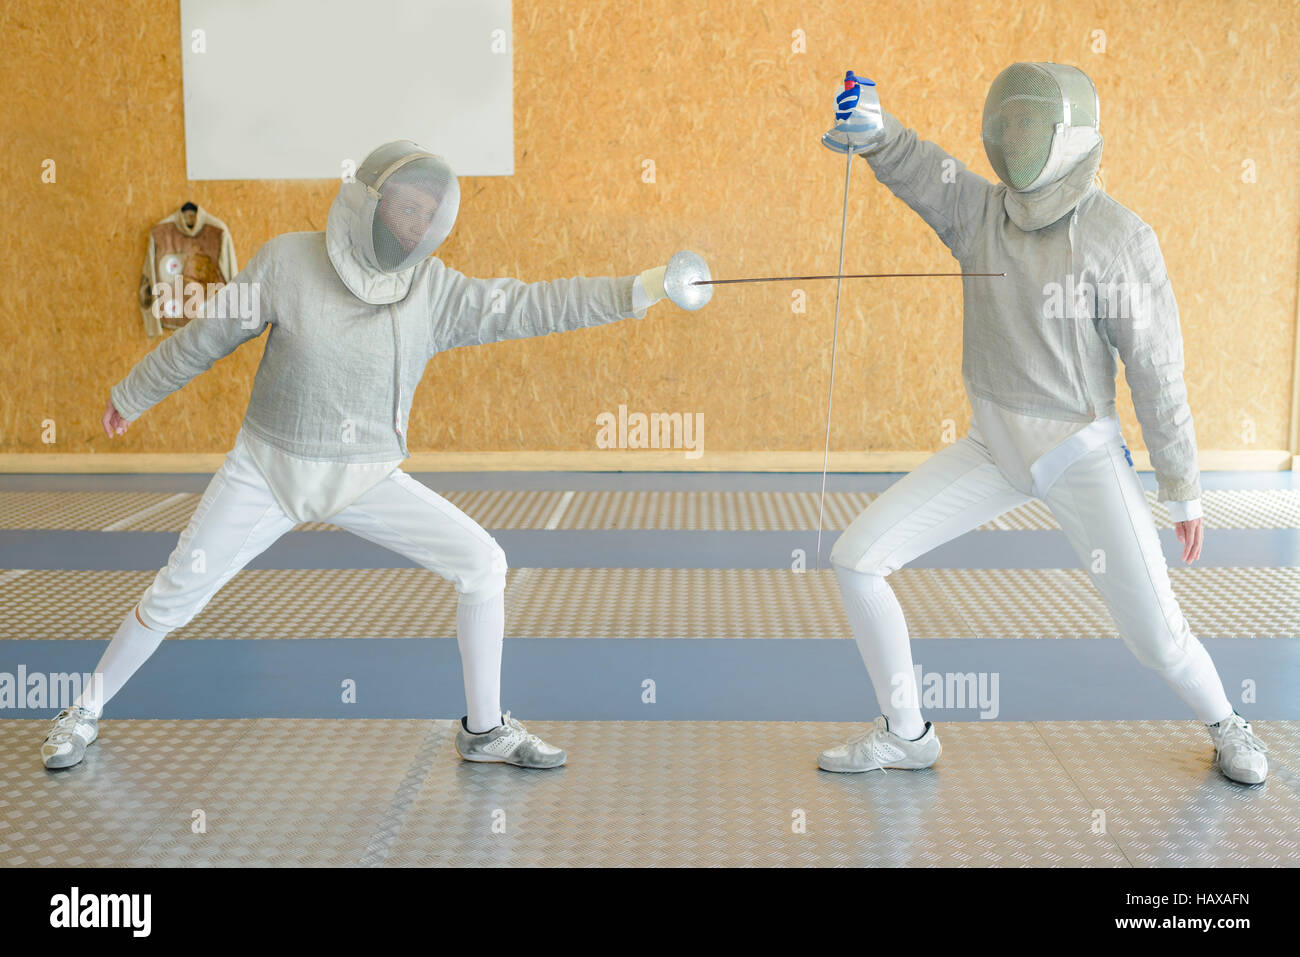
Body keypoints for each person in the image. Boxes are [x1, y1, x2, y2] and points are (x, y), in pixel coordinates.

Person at [41, 140, 686, 771]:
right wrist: (132, 393)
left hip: (367, 479)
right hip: (267, 471)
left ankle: (484, 731)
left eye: (425, 214)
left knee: (484, 564)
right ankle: (82, 711)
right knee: (174, 592)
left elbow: (534, 304)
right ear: (368, 200)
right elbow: (206, 338)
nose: (413, 223)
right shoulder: (285, 263)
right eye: (404, 206)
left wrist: (647, 287)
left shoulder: (432, 290)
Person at [817, 64, 1268, 784]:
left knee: (1155, 635)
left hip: (1079, 456)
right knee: (856, 557)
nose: (1013, 139)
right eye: (1010, 124)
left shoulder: (1120, 238)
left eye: (1029, 126)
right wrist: (875, 131)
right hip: (992, 448)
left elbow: (1156, 368)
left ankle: (1227, 722)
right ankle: (908, 732)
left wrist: (1181, 486)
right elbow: (922, 169)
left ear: (1067, 138)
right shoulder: (981, 213)